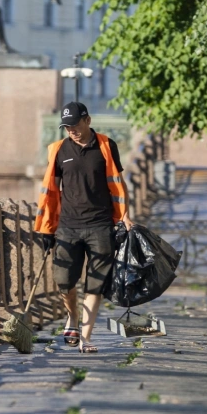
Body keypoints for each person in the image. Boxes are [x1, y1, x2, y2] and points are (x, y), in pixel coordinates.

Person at [34, 101, 134, 353]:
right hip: (68, 226)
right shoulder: (58, 150)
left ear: (87, 121)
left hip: (100, 225)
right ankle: (73, 318)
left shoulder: (106, 145)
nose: (72, 131)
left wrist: (124, 216)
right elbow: (49, 193)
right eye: (67, 127)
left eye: (75, 125)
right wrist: (46, 228)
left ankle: (85, 338)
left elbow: (118, 184)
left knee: (95, 283)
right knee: (64, 281)